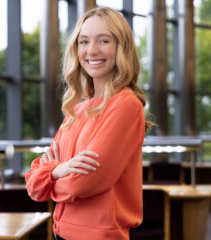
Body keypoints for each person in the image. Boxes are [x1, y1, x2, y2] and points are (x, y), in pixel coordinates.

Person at [25, 6, 152, 240]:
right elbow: (32, 183)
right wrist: (58, 170)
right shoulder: (78, 109)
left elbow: (83, 184)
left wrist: (51, 179)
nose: (92, 51)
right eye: (84, 42)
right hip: (60, 232)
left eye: (104, 41)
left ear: (121, 47)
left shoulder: (125, 104)